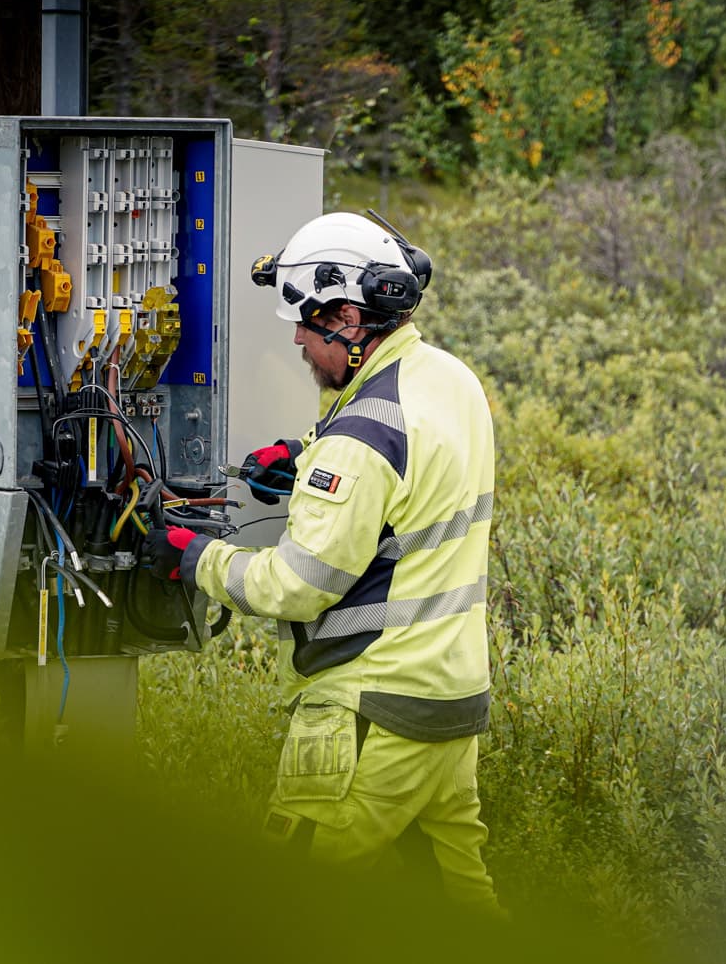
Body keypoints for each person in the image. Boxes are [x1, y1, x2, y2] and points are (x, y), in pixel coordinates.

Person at [145, 212, 501, 914]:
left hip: (373, 708)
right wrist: (304, 452)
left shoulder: (360, 440)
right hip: (451, 700)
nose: (300, 340)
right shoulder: (451, 380)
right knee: (462, 909)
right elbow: (394, 443)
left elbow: (298, 587)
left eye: (306, 323)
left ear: (348, 316)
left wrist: (197, 558)